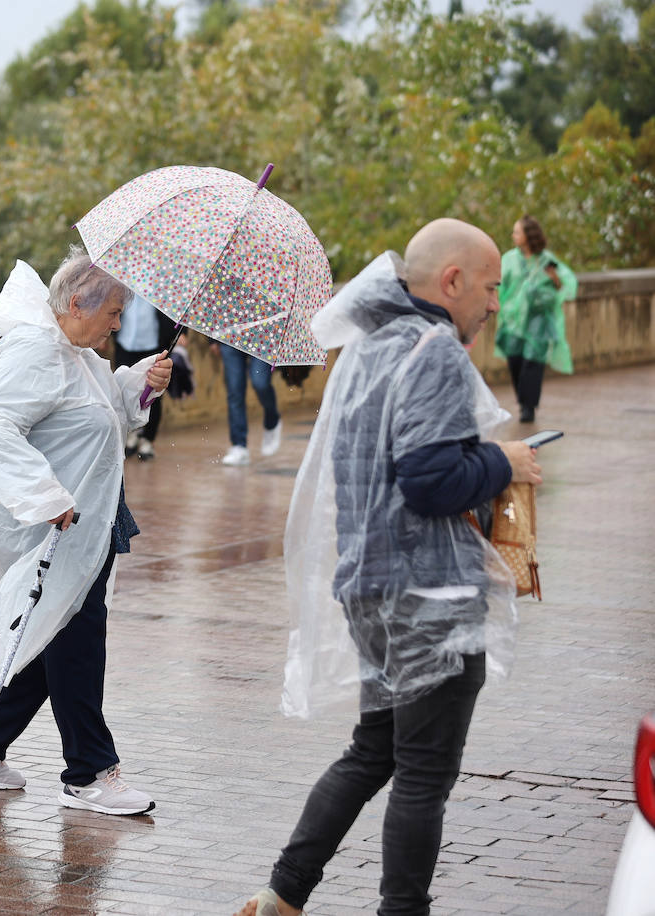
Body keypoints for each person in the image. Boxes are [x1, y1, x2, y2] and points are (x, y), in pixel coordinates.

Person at [236, 219, 544, 916]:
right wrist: (505, 461)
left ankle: (284, 893)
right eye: (490, 287)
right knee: (423, 774)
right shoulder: (433, 349)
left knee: (373, 751)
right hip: (428, 593)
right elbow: (429, 479)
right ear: (453, 280)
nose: (495, 304)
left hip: (371, 587)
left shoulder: (371, 345)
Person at [0, 249, 172, 816]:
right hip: (57, 522)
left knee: (52, 635)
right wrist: (43, 497)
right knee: (77, 640)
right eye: (113, 312)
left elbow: (96, 410)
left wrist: (140, 383)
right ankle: (89, 771)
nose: (118, 325)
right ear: (74, 303)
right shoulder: (35, 351)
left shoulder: (74, 352)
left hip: (88, 514)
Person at [493, 214, 576, 423]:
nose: (513, 235)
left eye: (517, 232)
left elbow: (565, 284)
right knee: (515, 360)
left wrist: (554, 278)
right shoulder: (509, 259)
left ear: (528, 235)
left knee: (533, 361)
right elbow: (498, 285)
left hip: (538, 320)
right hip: (513, 319)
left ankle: (528, 407)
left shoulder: (547, 260)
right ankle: (523, 401)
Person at [112, 292, 166, 460]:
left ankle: (148, 439)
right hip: (125, 340)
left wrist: (180, 334)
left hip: (153, 342)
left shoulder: (164, 280)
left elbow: (173, 310)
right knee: (121, 388)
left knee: (153, 391)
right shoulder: (124, 279)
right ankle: (130, 435)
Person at [215, 339, 281, 466]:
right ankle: (239, 445)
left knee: (260, 383)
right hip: (230, 333)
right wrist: (212, 340)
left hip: (264, 334)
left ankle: (272, 421)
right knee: (234, 390)